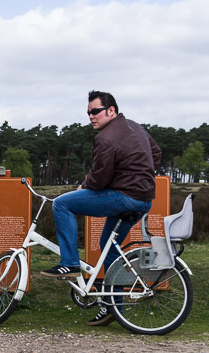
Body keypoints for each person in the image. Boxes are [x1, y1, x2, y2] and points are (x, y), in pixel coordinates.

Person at [40, 90, 161, 326]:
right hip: (143, 199)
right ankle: (113, 309)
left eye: (95, 111)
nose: (91, 116)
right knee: (109, 248)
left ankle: (70, 263)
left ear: (111, 110)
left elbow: (99, 180)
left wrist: (84, 186)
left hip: (124, 197)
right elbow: (156, 153)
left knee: (63, 204)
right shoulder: (135, 127)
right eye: (88, 112)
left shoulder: (105, 138)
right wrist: (138, 174)